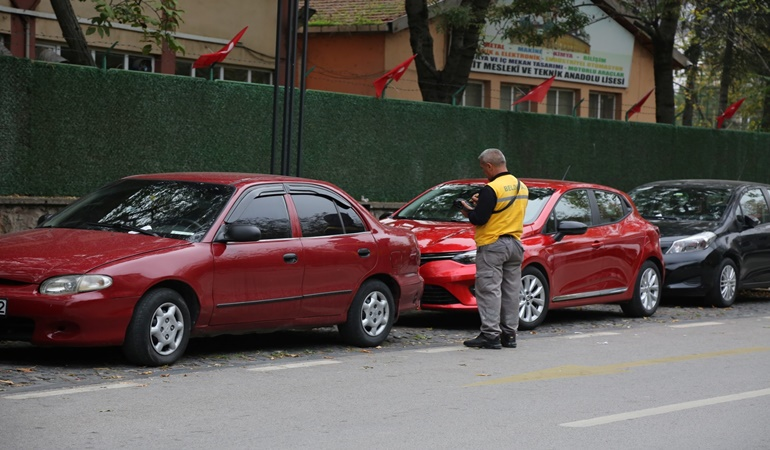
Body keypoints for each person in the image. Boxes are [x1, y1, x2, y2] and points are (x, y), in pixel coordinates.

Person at [458, 148, 528, 349]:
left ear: (489, 166)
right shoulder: (521, 186)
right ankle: (510, 335)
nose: (484, 172)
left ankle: (490, 335)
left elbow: (480, 218)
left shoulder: (491, 188)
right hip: (515, 244)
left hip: (493, 244)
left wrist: (467, 211)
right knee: (511, 291)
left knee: (489, 289)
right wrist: (482, 205)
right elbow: (502, 211)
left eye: (483, 168)